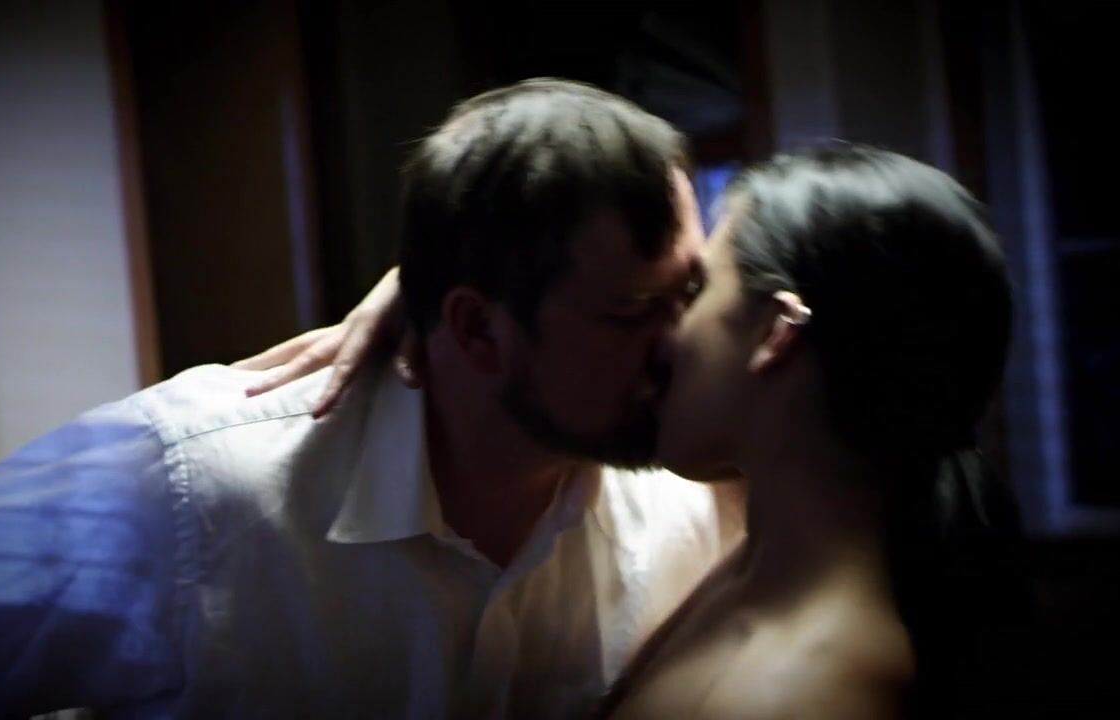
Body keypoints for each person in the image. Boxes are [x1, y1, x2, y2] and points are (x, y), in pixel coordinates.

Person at [0, 79, 742, 718]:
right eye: (633, 311)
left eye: (692, 294)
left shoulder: (679, 515)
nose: (681, 342)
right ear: (475, 328)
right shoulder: (192, 485)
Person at [248, 145, 1031, 717]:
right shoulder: (771, 536)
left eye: (694, 292)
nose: (662, 336)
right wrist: (458, 297)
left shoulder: (796, 689)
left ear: (776, 334)